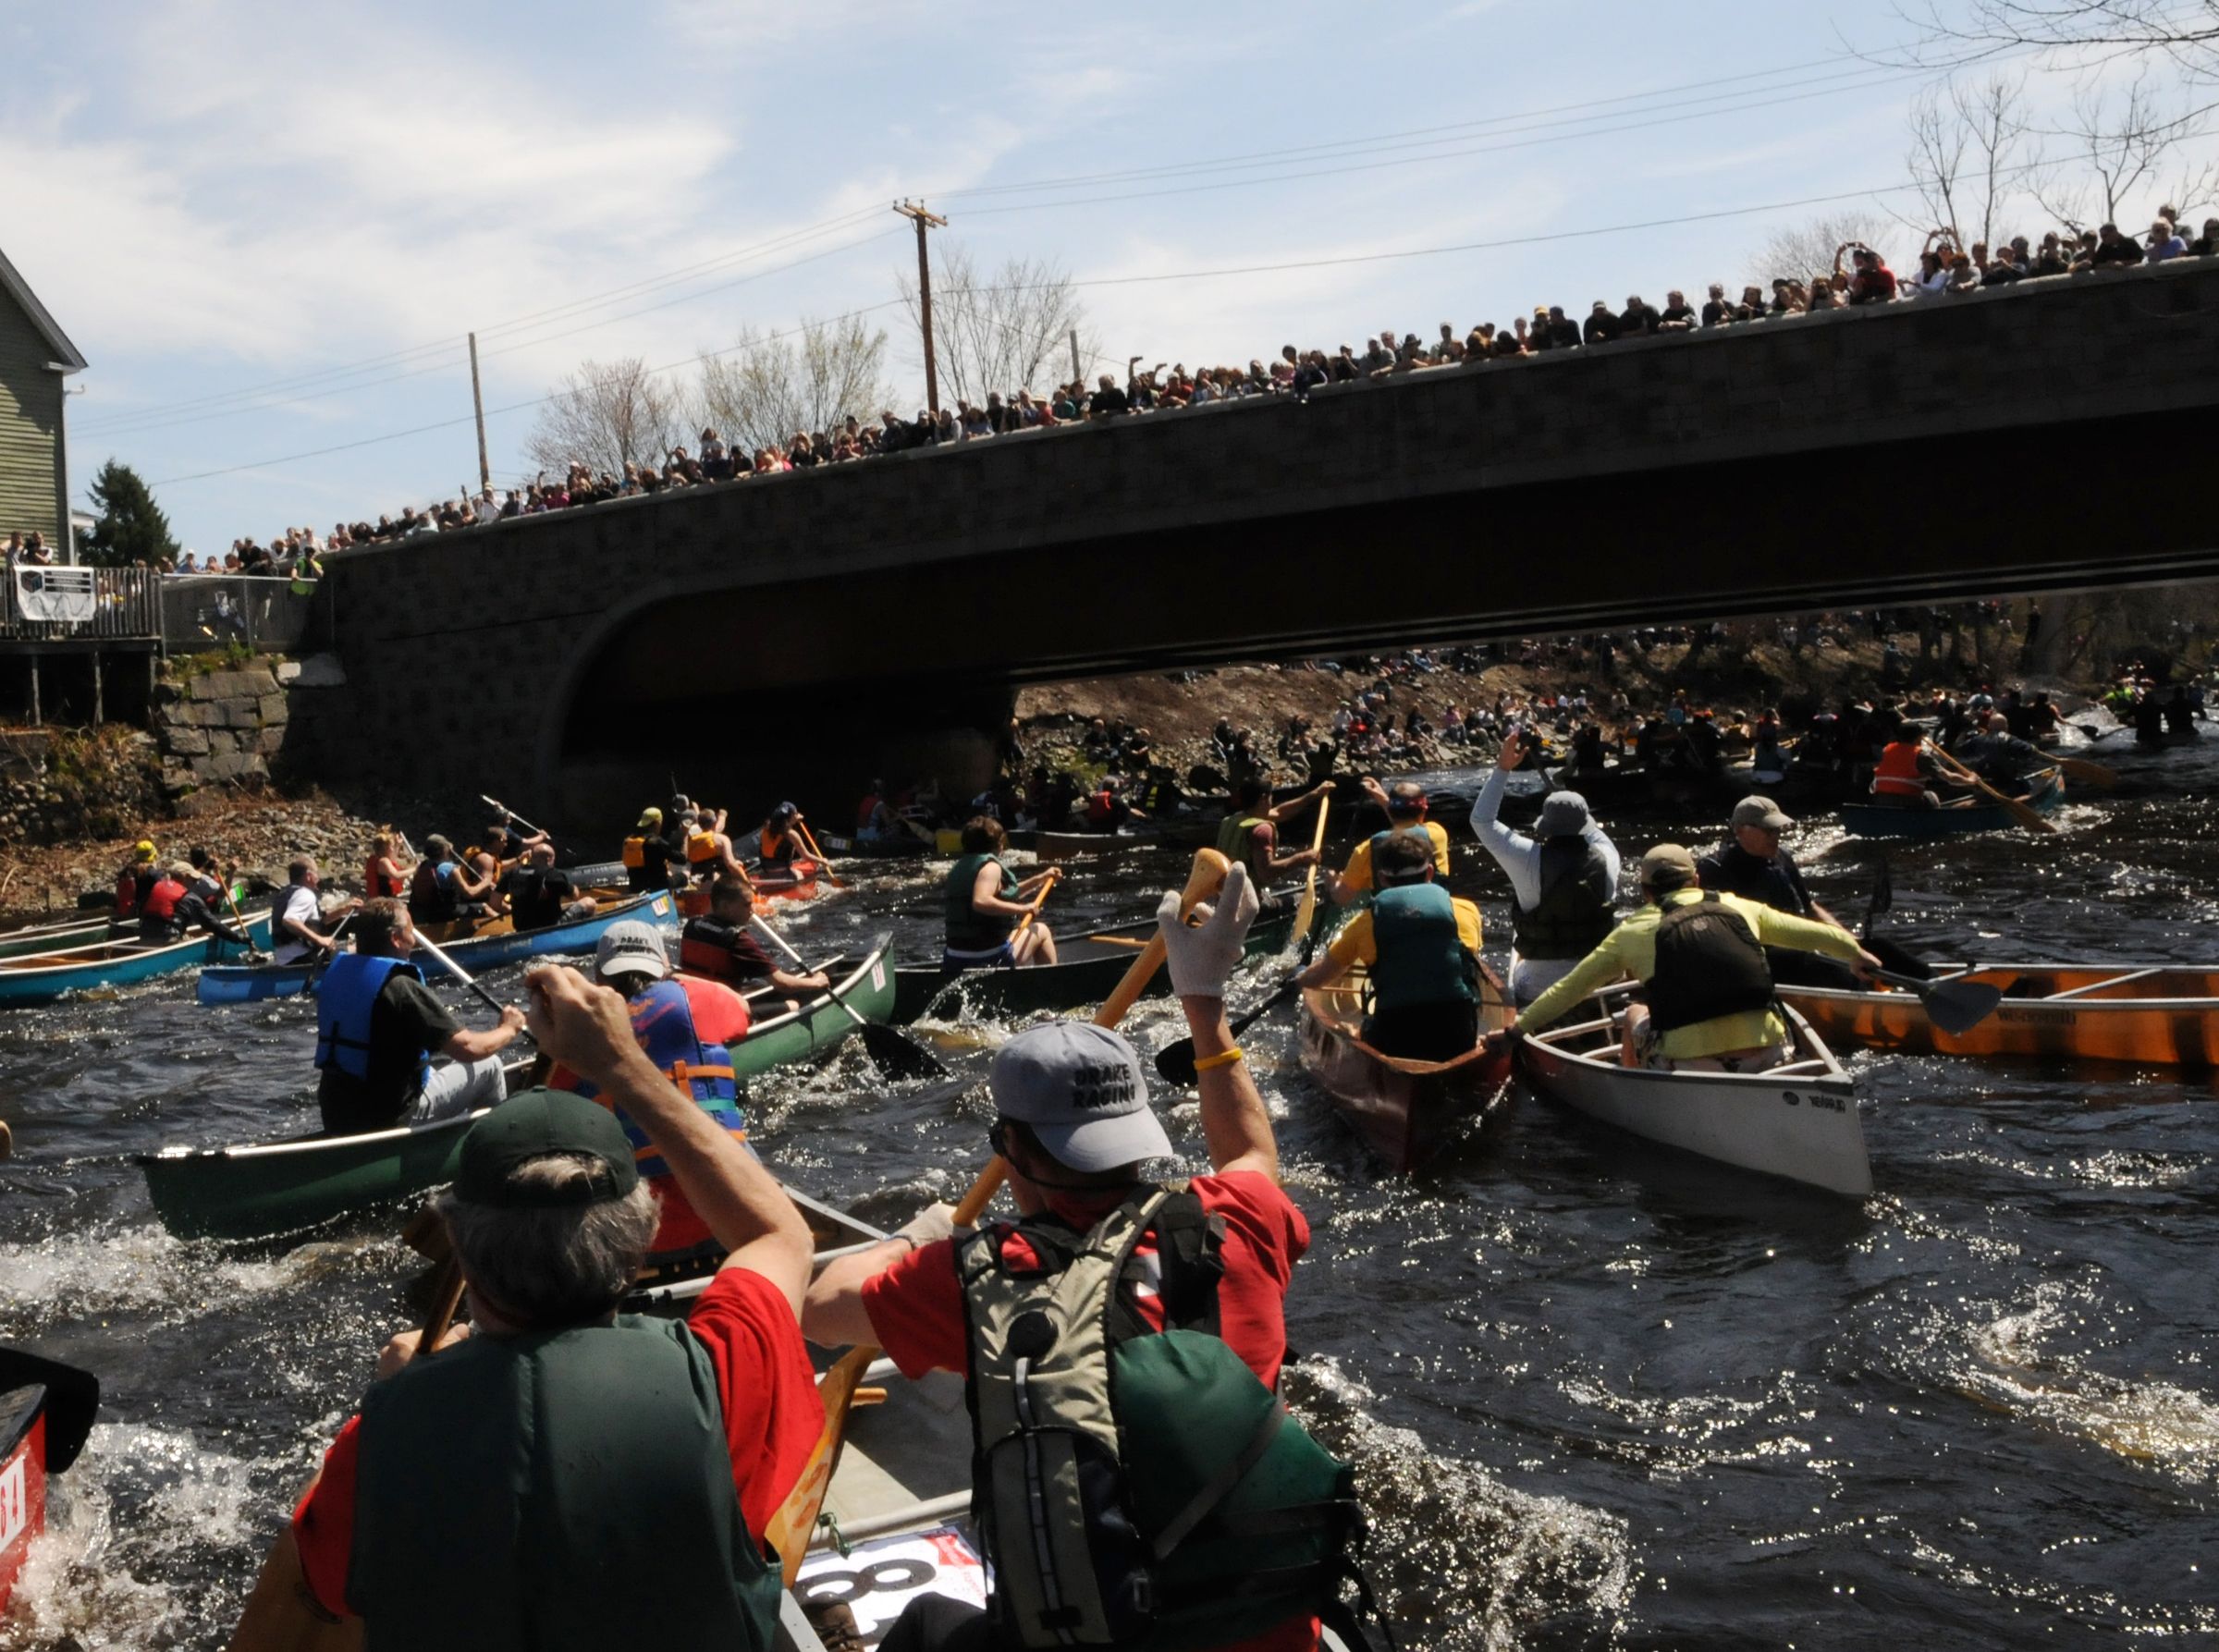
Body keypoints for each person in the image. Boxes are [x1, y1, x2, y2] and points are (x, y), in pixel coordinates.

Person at [805, 864, 1352, 1652]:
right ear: (1137, 1133)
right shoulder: (1240, 1218)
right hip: (1269, 1628)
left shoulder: (984, 1278)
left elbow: (821, 1306)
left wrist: (912, 1239)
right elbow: (1253, 1153)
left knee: (926, 1625)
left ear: (1011, 1147)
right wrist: (1204, 1006)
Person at [289, 964, 822, 1650]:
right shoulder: (716, 1376)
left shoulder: (383, 1442)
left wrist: (399, 1393)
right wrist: (620, 1061)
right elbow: (779, 1232)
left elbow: (330, 1587)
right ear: (642, 1238)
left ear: (460, 1246)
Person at [1502, 845, 1880, 1073]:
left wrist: (1517, 1030)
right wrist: (1856, 953)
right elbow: (1811, 932)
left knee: (1635, 1012)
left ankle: (1639, 1093)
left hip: (1693, 1064)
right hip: (1768, 1053)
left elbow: (1571, 989)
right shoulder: (1738, 907)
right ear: (1696, 880)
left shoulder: (1630, 933)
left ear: (1646, 892)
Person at [546, 921, 753, 1260]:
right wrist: (678, 977)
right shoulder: (698, 999)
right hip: (727, 1216)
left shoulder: (574, 1038)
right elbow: (742, 1008)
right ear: (664, 965)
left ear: (600, 977)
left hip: (639, 1236)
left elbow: (552, 1094)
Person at [313, 899, 525, 1133]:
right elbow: (468, 1048)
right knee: (490, 1066)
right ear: (395, 938)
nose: (414, 939)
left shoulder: (339, 978)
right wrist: (509, 1028)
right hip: (391, 1117)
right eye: (411, 931)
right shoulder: (401, 987)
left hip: (337, 1114)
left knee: (431, 1069)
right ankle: (494, 1145)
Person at [1295, 832, 1483, 1060]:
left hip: (1395, 1038)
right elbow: (1470, 959)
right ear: (1431, 873)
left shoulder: (1365, 923)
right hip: (1458, 1034)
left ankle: (1360, 1035)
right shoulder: (1466, 911)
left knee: (1353, 1029)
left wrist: (1299, 978)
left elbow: (1320, 979)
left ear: (1382, 879)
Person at [1471, 733, 1620, 1006]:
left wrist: (1503, 769)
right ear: (1584, 823)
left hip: (1540, 990)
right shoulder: (1609, 857)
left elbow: (1482, 820)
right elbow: (1595, 833)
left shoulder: (1525, 858)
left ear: (1545, 825)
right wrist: (1573, 810)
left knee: (1520, 975)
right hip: (1599, 983)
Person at [1696, 797, 1857, 987]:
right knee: (1825, 966)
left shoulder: (1782, 857)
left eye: (1778, 829)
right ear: (1740, 830)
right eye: (1768, 830)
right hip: (1756, 957)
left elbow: (1809, 907)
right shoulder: (1715, 869)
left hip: (1797, 945)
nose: (1776, 836)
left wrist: (1845, 939)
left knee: (1877, 948)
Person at [680, 875, 834, 1003]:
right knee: (792, 1004)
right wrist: (815, 982)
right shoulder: (738, 940)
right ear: (725, 906)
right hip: (722, 1009)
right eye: (746, 905)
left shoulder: (691, 926)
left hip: (690, 1002)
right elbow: (782, 984)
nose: (752, 911)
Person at [944, 816, 1058, 970]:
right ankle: (1050, 983)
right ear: (997, 844)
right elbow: (981, 901)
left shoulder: (959, 868)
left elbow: (1007, 894)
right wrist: (1023, 909)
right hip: (988, 957)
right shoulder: (991, 867)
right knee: (1041, 930)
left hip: (954, 957)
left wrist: (1040, 879)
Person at [1326, 777, 1450, 905]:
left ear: (1391, 811)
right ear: (1424, 810)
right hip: (1435, 913)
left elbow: (1342, 898)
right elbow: (1408, 828)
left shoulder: (1368, 848)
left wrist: (1332, 883)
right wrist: (1383, 799)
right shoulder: (1437, 833)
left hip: (1388, 920)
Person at [1211, 775, 1334, 891]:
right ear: (1264, 799)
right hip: (1246, 900)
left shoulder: (1231, 820)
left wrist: (1315, 794)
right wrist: (1301, 858)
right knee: (1304, 897)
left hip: (1223, 893)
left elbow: (1280, 812)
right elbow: (1266, 874)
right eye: (1271, 798)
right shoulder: (1262, 830)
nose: (1271, 803)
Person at [272, 857, 357, 965]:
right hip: (301, 958)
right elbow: (289, 920)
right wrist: (319, 939)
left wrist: (345, 909)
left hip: (284, 958)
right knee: (357, 949)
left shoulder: (285, 894)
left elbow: (319, 921)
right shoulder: (305, 895)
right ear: (309, 876)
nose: (318, 877)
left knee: (343, 946)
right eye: (316, 873)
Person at [498, 840, 598, 932]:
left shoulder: (512, 873)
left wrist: (516, 908)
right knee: (589, 902)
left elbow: (494, 902)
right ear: (549, 859)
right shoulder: (551, 874)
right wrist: (574, 888)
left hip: (522, 928)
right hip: (550, 928)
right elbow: (574, 896)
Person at [407, 834, 494, 928]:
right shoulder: (449, 869)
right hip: (445, 912)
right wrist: (486, 881)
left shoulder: (422, 866)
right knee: (485, 907)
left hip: (427, 912)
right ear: (444, 849)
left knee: (465, 906)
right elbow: (469, 893)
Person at [1870, 718, 1943, 808]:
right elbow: (1948, 776)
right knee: (1932, 796)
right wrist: (1965, 780)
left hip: (1881, 800)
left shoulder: (1885, 751)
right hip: (1909, 802)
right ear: (1918, 737)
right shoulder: (1920, 755)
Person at [683, 807, 752, 884]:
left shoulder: (691, 841)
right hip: (714, 879)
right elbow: (730, 864)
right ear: (714, 822)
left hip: (697, 878)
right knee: (738, 867)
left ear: (699, 824)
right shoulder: (721, 839)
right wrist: (747, 883)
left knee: (736, 863)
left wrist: (722, 816)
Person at [621, 808, 683, 892]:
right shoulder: (657, 842)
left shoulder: (629, 841)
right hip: (657, 887)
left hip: (635, 888)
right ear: (657, 823)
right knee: (684, 876)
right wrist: (685, 835)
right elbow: (682, 859)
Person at [755, 802, 810, 872]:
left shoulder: (767, 827)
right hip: (781, 869)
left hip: (765, 867)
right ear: (789, 819)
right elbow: (806, 856)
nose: (797, 815)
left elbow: (786, 824)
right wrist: (823, 861)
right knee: (802, 874)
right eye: (795, 814)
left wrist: (795, 818)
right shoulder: (791, 834)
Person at [114, 840, 160, 920]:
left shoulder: (127, 871)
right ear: (154, 856)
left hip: (127, 913)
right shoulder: (153, 874)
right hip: (145, 916)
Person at [362, 833, 414, 900]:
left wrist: (398, 845)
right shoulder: (383, 862)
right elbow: (396, 876)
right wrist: (415, 869)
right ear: (385, 848)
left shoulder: (374, 858)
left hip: (381, 898)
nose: (393, 849)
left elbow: (393, 859)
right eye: (392, 846)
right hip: (382, 901)